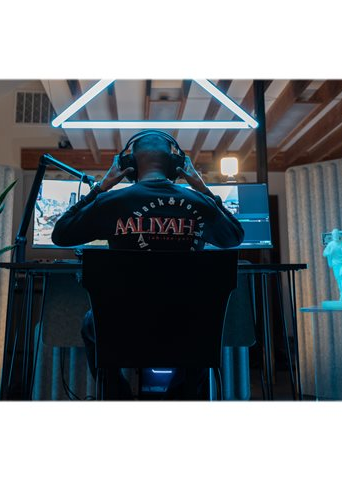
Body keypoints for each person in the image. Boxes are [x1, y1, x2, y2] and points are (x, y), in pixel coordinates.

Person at [52, 130, 245, 399]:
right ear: (176, 166)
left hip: (122, 327)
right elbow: (235, 235)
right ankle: (179, 398)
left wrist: (101, 187)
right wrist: (202, 188)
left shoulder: (110, 202)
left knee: (90, 323)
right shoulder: (200, 204)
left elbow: (61, 234)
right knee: (205, 323)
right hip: (188, 327)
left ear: (129, 165)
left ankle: (118, 397)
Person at [322, 228, 342, 302]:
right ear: (332, 236)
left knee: (341, 277)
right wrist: (329, 253)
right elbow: (324, 253)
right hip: (335, 265)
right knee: (338, 279)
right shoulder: (330, 245)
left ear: (339, 235)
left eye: (337, 234)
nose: (335, 236)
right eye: (334, 235)